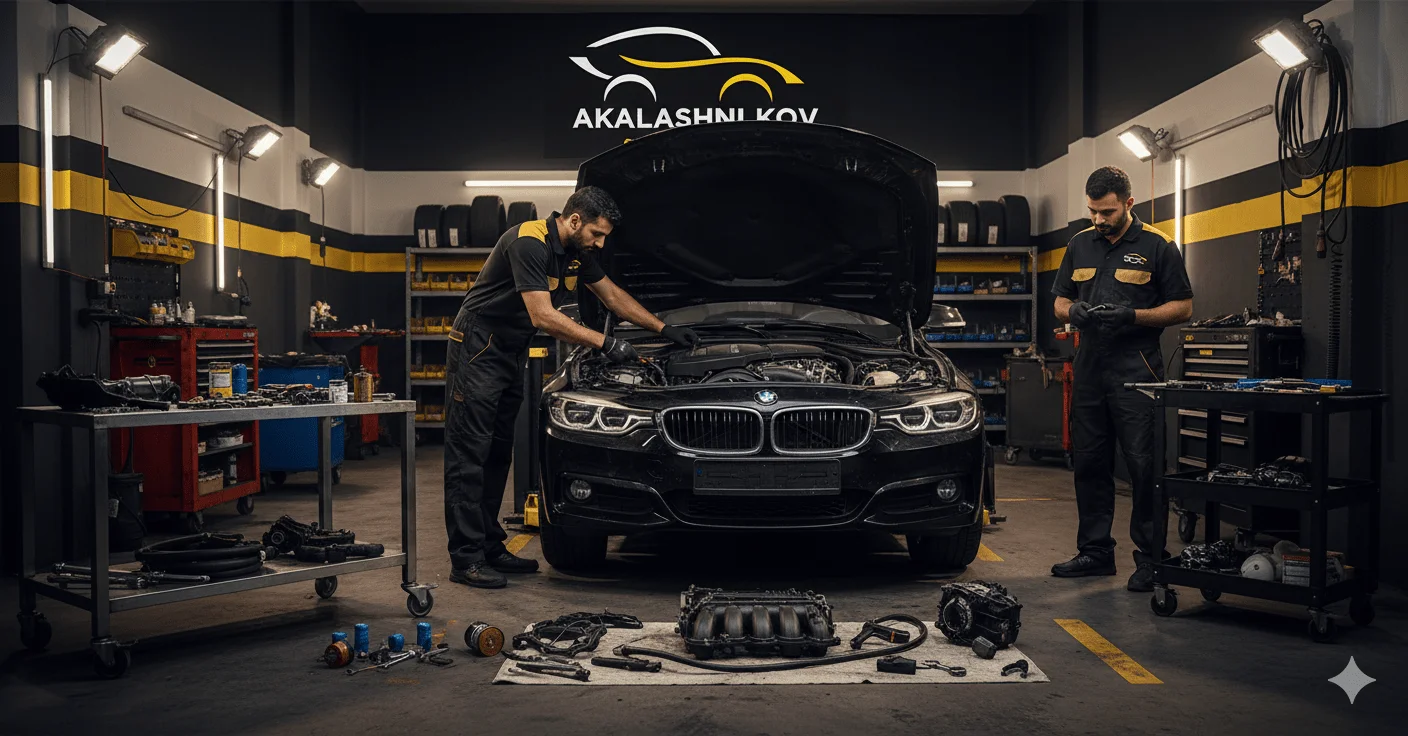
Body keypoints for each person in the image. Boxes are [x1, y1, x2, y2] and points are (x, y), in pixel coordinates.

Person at [442, 186, 700, 588]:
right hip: (478, 348)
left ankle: (490, 546)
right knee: (469, 454)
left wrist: (664, 328)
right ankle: (465, 558)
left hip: (509, 350)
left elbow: (612, 295)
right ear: (574, 220)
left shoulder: (577, 252)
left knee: (497, 452)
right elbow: (542, 315)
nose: (600, 243)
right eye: (597, 234)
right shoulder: (528, 242)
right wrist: (606, 342)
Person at [1050, 166, 1193, 592]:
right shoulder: (1079, 244)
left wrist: (1134, 315)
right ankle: (1095, 552)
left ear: (1128, 204)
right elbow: (1059, 298)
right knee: (1090, 462)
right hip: (1091, 367)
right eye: (1093, 211)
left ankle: (1151, 558)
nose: (1099, 219)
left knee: (1144, 466)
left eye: (1107, 211)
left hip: (1138, 371)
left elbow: (1183, 307)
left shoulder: (1158, 246)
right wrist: (1070, 311)